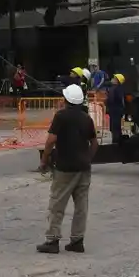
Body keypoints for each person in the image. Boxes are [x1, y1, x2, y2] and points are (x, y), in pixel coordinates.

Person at [36, 84, 97, 254]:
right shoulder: (87, 118)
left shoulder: (61, 116)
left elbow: (50, 141)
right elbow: (94, 142)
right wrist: (88, 159)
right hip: (83, 168)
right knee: (81, 206)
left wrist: (44, 160)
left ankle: (52, 240)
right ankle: (77, 241)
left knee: (57, 204)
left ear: (66, 100)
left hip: (65, 168)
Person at [105, 73, 127, 144]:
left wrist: (107, 104)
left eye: (114, 78)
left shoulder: (116, 89)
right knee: (115, 127)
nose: (112, 79)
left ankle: (116, 142)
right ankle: (117, 140)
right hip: (115, 110)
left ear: (117, 81)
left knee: (115, 127)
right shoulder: (115, 88)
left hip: (115, 110)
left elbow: (112, 99)